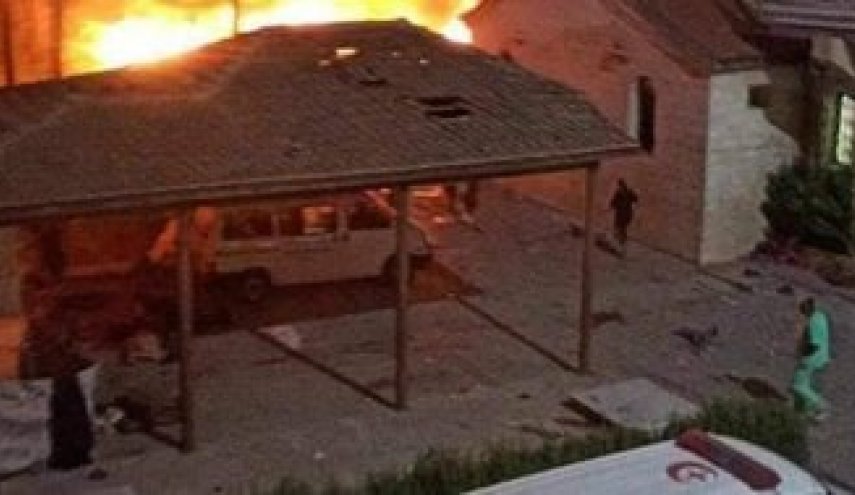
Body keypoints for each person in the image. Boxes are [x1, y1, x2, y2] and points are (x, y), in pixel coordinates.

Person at [791, 298, 831, 421]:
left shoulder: (814, 321)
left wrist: (803, 355)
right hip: (819, 357)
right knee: (804, 383)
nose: (801, 311)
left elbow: (814, 344)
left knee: (797, 385)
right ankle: (800, 412)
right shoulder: (820, 316)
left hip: (811, 358)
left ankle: (821, 406)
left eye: (802, 308)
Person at [609, 179, 638, 255]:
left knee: (621, 230)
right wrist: (611, 207)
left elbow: (635, 199)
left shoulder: (627, 192)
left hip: (624, 215)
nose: (618, 188)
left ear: (622, 186)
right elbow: (613, 202)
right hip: (621, 215)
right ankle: (621, 246)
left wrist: (633, 208)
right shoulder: (619, 193)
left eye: (619, 186)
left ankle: (622, 248)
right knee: (618, 230)